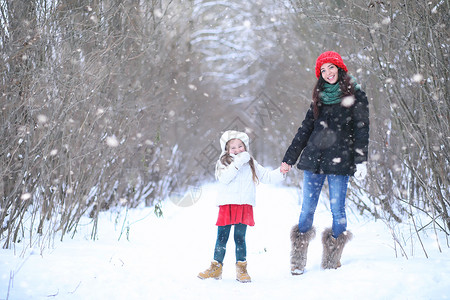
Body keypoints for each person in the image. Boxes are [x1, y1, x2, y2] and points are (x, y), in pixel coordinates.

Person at [280, 51, 369, 275]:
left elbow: (361, 130)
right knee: (306, 210)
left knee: (338, 211)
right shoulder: (319, 98)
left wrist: (361, 161)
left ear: (339, 68)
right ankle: (298, 260)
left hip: (340, 162)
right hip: (314, 161)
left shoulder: (356, 96)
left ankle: (331, 258)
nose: (328, 73)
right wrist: (289, 158)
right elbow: (305, 129)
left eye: (331, 68)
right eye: (323, 70)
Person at [198, 130, 285, 283]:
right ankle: (216, 267)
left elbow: (267, 176)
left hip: (244, 205)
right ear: (226, 149)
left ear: (246, 147)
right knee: (222, 237)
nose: (237, 150)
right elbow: (224, 179)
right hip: (227, 204)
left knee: (240, 238)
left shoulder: (251, 162)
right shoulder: (222, 162)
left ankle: (242, 268)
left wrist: (282, 171)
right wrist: (238, 162)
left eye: (240, 146)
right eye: (233, 147)